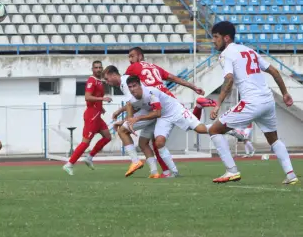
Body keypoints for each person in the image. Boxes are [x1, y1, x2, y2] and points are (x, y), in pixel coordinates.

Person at [207, 21, 297, 184]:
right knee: (274, 139)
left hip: (251, 102)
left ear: (226, 38)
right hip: (268, 100)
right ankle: (291, 175)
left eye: (216, 37)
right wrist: (285, 93)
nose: (213, 40)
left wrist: (218, 104)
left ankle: (231, 171)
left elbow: (229, 79)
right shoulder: (249, 50)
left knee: (214, 130)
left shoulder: (226, 54)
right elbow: (274, 71)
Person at [124, 75, 210, 177]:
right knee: (159, 142)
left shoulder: (150, 93)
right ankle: (174, 172)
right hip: (164, 118)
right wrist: (129, 120)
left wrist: (137, 118)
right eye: (130, 87)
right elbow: (129, 105)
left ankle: (225, 129)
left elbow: (157, 113)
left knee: (200, 129)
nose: (133, 89)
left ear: (140, 85)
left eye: (135, 86)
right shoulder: (131, 98)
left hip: (175, 110)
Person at [104, 65, 164, 178]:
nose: (107, 82)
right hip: (152, 112)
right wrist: (119, 111)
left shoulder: (126, 82)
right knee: (143, 143)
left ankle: (135, 161)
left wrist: (125, 121)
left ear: (113, 75)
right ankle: (154, 172)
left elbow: (131, 105)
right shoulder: (125, 82)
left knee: (122, 131)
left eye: (107, 79)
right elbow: (133, 103)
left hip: (148, 112)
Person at [62, 61, 112, 175]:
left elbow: (96, 97)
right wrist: (102, 100)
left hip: (97, 115)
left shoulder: (99, 81)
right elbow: (87, 97)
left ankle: (89, 157)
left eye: (100, 67)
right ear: (92, 69)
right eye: (96, 68)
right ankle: (69, 164)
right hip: (91, 116)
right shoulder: (91, 80)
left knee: (107, 137)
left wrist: (101, 107)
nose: (98, 69)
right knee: (85, 142)